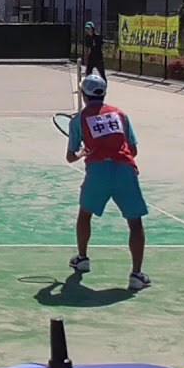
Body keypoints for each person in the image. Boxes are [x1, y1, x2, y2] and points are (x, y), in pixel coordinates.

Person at [66, 75, 150, 292]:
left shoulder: (78, 120)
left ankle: (82, 259)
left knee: (85, 214)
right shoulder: (120, 114)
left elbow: (70, 157)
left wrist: (84, 152)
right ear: (103, 93)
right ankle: (137, 275)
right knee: (135, 223)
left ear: (84, 95)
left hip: (98, 172)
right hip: (125, 170)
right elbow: (133, 150)